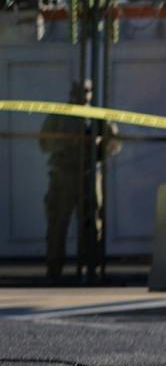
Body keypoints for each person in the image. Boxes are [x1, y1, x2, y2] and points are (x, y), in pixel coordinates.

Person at [39, 79, 119, 281]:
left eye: (86, 91)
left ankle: (91, 269)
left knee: (92, 224)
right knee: (58, 224)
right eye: (78, 90)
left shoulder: (98, 115)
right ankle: (54, 271)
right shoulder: (59, 114)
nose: (82, 95)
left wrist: (99, 147)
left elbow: (114, 142)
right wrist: (65, 142)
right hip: (64, 175)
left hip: (89, 173)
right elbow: (44, 142)